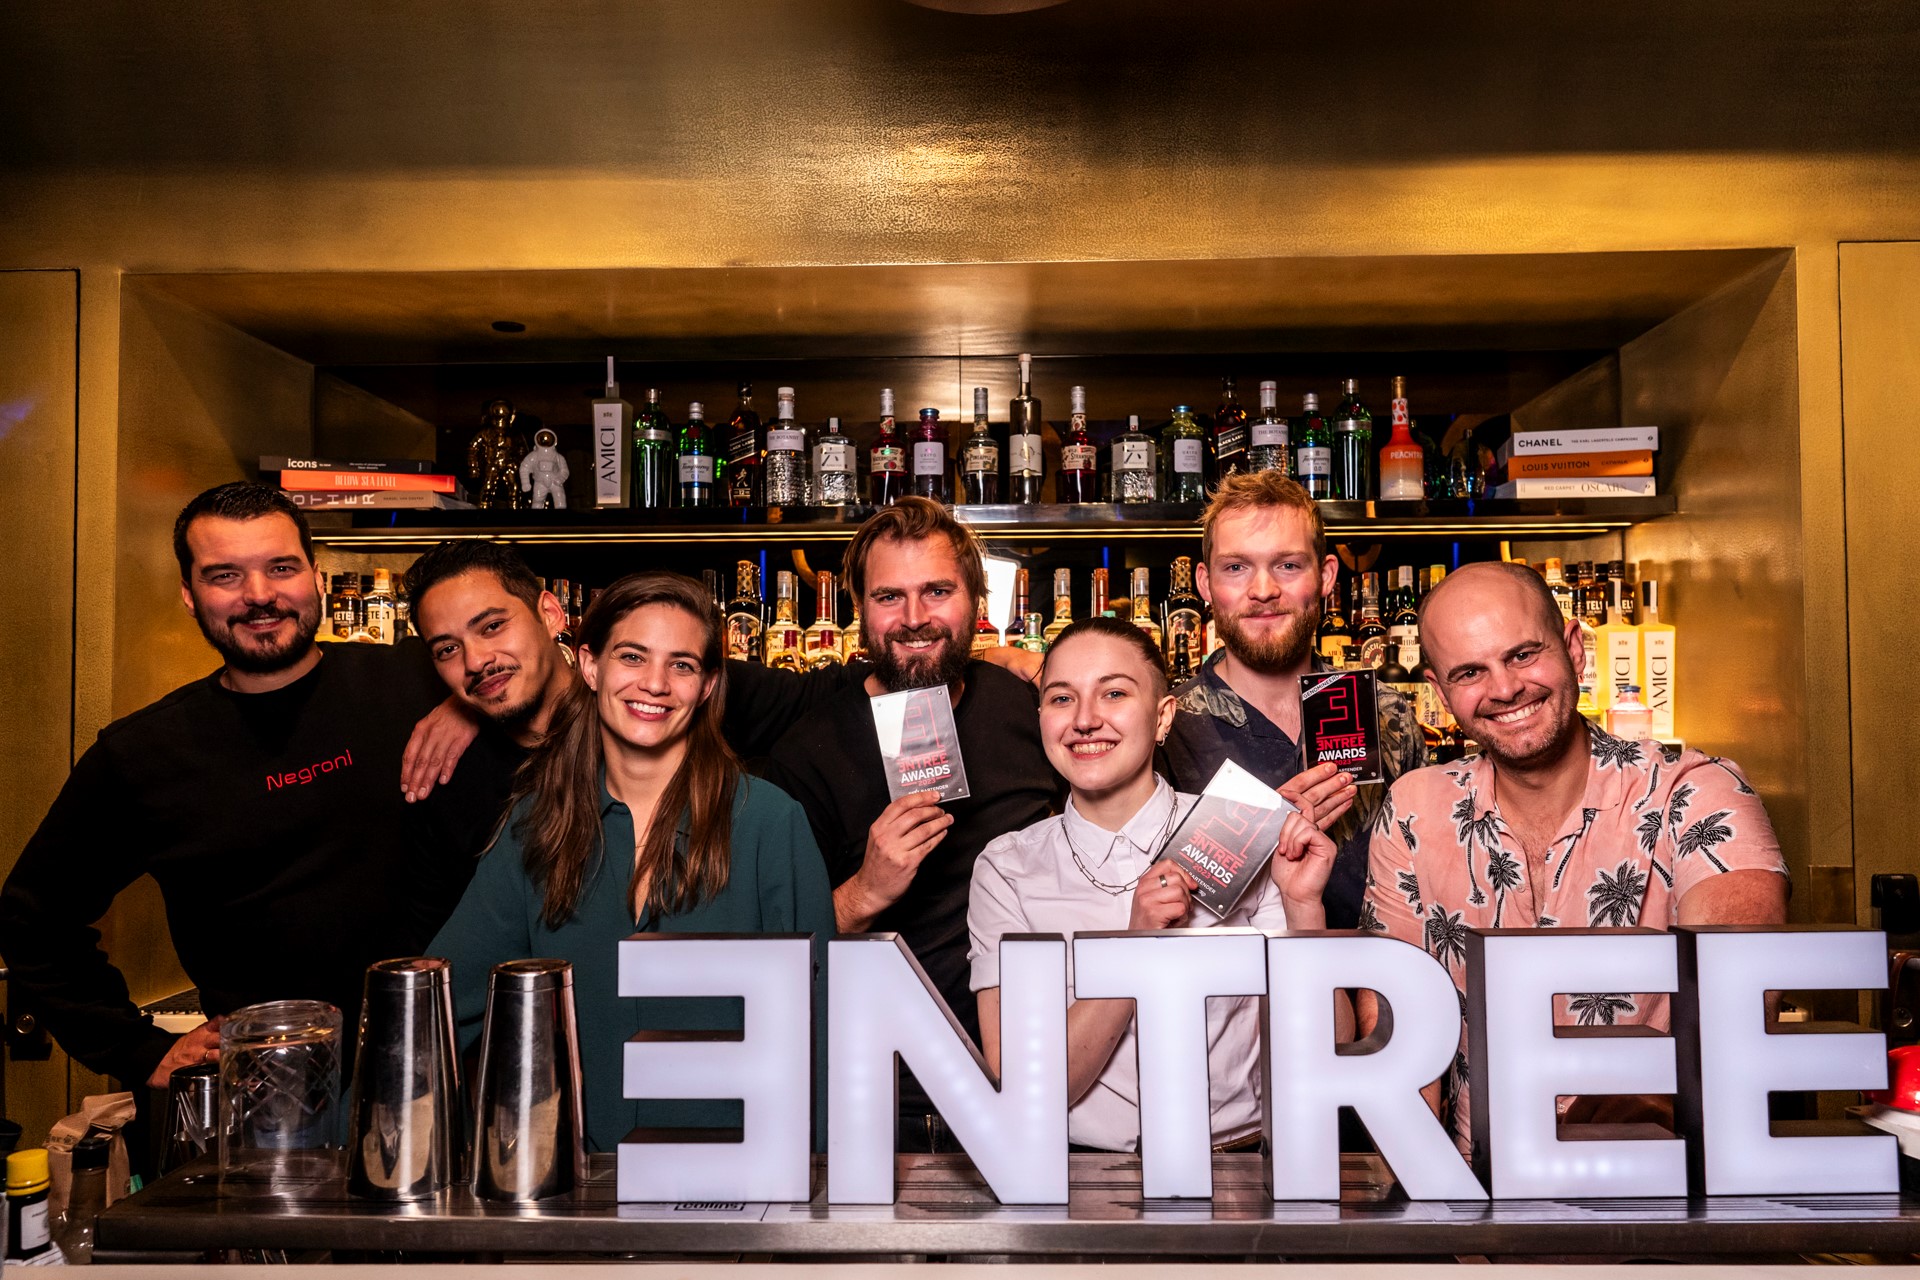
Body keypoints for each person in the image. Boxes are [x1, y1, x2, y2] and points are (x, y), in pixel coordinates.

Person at [0, 483, 472, 1090]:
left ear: (316, 579)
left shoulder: (420, 681)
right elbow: (32, 920)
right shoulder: (144, 753)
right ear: (189, 596)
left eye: (281, 568)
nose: (260, 595)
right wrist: (138, 1051)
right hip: (272, 1094)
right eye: (225, 575)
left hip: (453, 1065)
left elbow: (561, 694)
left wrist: (477, 705)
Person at [1357, 559, 1788, 1147]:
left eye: (1522, 655)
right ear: (1440, 692)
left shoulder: (1694, 792)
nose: (1504, 689)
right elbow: (1399, 1043)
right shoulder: (1415, 808)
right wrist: (1425, 1186)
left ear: (1574, 650)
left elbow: (1737, 1007)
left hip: (1655, 1182)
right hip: (1473, 1184)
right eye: (1470, 672)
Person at [428, 571, 834, 1153]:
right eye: (632, 656)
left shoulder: (769, 823)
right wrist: (329, 1153)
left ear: (707, 686)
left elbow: (819, 1030)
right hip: (584, 1191)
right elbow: (438, 1004)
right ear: (590, 667)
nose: (655, 683)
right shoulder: (535, 828)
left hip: (741, 1184)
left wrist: (819, 1188)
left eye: (681, 665)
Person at [766, 497, 1062, 1150]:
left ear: (976, 600)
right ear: (859, 608)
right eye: (889, 597)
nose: (914, 618)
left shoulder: (1027, 706)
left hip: (1038, 1082)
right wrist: (864, 891)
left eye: (937, 591)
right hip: (881, 1105)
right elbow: (773, 956)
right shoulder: (806, 754)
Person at [969, 617, 1302, 1152]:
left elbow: (1322, 1046)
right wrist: (1135, 943)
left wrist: (1305, 904)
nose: (1085, 720)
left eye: (1114, 693)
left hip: (1238, 1169)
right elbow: (1023, 1090)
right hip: (1075, 1174)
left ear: (1163, 715)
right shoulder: (1008, 868)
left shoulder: (1238, 830)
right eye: (1061, 699)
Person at [1164, 471, 1423, 928]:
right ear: (1205, 584)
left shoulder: (1389, 716)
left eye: (1287, 565)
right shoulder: (1167, 730)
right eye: (1236, 567)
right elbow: (1142, 906)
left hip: (1377, 971)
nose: (1263, 590)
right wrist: (1260, 830)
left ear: (1325, 576)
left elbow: (1430, 884)